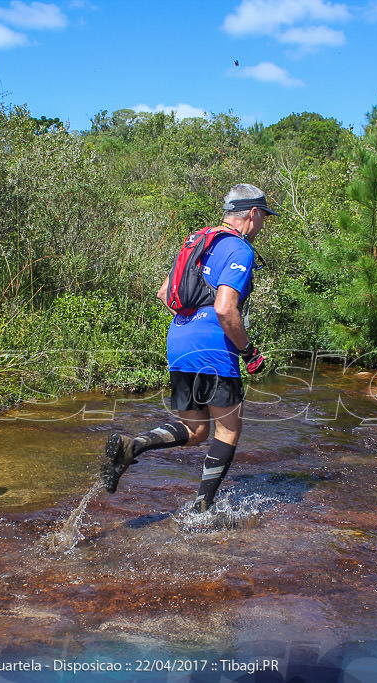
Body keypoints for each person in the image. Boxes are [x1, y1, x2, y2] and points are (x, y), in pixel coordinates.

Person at [101, 184, 274, 512]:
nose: (263, 224)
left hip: (179, 339)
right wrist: (250, 352)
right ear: (252, 213)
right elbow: (225, 308)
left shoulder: (199, 242)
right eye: (263, 216)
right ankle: (202, 508)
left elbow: (165, 294)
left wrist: (193, 324)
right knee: (228, 428)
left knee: (195, 430)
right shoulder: (239, 249)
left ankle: (133, 445)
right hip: (214, 347)